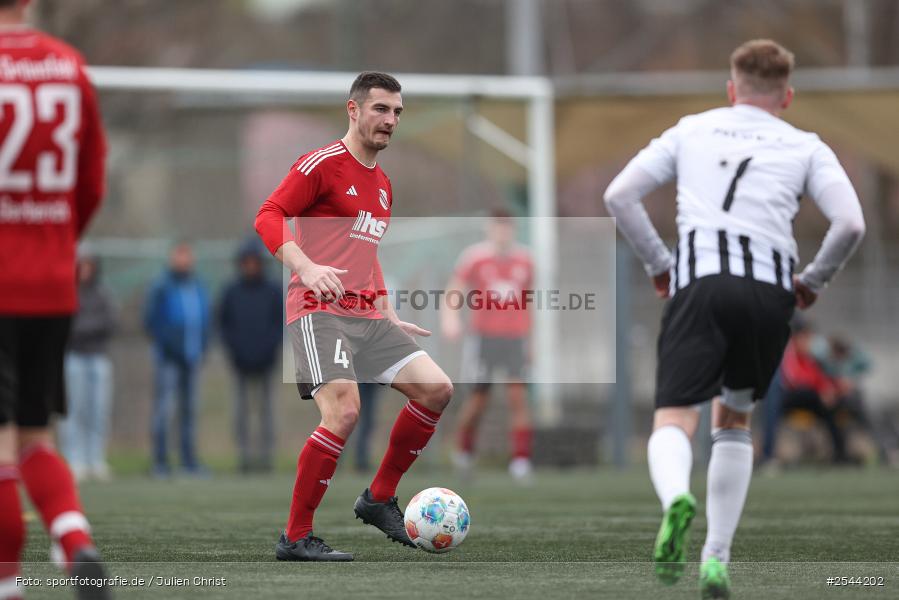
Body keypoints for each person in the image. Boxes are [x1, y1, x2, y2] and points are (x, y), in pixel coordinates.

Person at [604, 39, 865, 598]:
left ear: (731, 89)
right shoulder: (805, 145)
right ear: (787, 96)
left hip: (700, 285)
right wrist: (811, 283)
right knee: (734, 419)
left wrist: (661, 265)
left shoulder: (692, 129)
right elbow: (850, 224)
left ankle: (676, 496)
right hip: (769, 295)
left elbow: (620, 194)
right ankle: (715, 558)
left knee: (674, 417)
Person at [255, 71, 453, 562]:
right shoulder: (321, 164)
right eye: (381, 109)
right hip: (318, 310)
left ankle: (378, 498)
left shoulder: (383, 185)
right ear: (354, 110)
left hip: (367, 315)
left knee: (438, 388)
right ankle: (295, 538)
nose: (390, 120)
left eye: (397, 113)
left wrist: (386, 306)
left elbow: (368, 250)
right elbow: (268, 215)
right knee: (344, 410)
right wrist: (304, 264)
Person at [0, 0, 110, 597]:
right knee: (36, 433)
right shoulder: (68, 65)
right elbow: (92, 181)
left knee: (0, 446)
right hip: (50, 280)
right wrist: (56, 240)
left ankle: (8, 581)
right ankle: (72, 537)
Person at [441, 209, 534, 481]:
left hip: (515, 338)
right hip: (484, 339)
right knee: (479, 400)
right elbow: (454, 290)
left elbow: (529, 304)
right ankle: (464, 451)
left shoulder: (526, 261)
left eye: (507, 227)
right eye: (498, 226)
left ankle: (521, 461)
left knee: (518, 397)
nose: (502, 232)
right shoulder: (475, 258)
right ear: (489, 229)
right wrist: (451, 319)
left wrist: (532, 341)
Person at [143, 241, 211, 478]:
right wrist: (170, 346)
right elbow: (151, 321)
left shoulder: (197, 285)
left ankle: (188, 461)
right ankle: (160, 462)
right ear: (172, 258)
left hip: (192, 358)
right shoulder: (162, 286)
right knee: (164, 409)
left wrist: (202, 346)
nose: (184, 260)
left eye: (187, 255)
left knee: (189, 412)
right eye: (179, 255)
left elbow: (204, 320)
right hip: (168, 359)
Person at [218, 237, 283, 473]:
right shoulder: (231, 292)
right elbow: (223, 326)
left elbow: (279, 325)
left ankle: (266, 457)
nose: (251, 265)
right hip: (240, 362)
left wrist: (269, 349)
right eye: (246, 261)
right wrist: (235, 351)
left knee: (267, 411)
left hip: (266, 361)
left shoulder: (273, 291)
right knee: (241, 412)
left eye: (254, 261)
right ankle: (244, 457)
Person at [58, 254, 116, 482]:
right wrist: (86, 328)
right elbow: (66, 324)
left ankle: (95, 458)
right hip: (73, 357)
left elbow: (110, 322)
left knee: (98, 411)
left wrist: (83, 327)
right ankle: (74, 458)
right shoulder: (68, 292)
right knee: (73, 410)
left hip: (98, 357)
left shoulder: (103, 293)